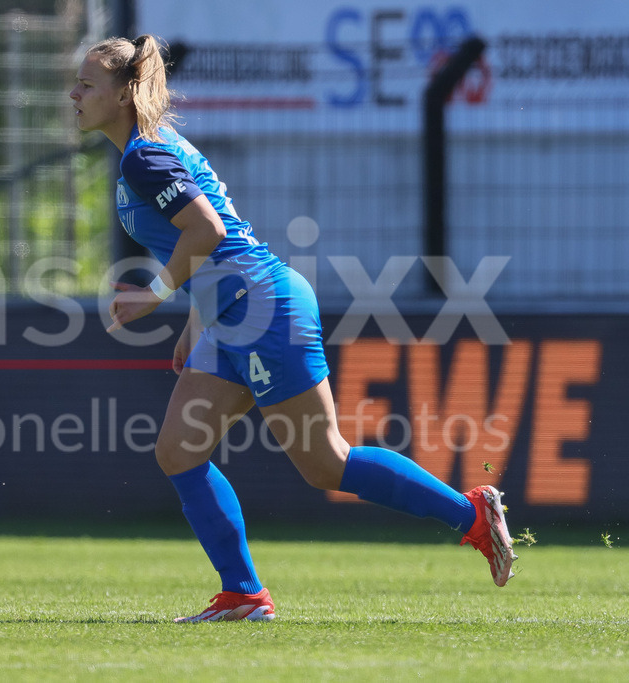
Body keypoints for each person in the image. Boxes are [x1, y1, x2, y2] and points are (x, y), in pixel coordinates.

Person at [69, 35, 516, 623]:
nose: (73, 95)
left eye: (86, 85)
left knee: (324, 463)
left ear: (123, 95)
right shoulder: (147, 149)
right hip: (234, 312)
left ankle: (472, 515)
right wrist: (195, 323)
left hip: (262, 308)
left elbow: (205, 230)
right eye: (75, 84)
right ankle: (244, 594)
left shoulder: (142, 157)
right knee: (179, 451)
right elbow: (213, 238)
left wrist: (157, 296)